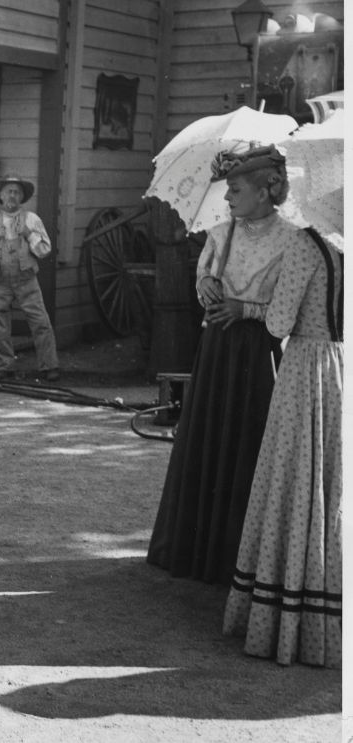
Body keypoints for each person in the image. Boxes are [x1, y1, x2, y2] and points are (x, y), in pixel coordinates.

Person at [147, 145, 299, 585]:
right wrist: (208, 285)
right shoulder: (220, 233)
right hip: (216, 349)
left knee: (247, 439)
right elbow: (205, 281)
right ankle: (194, 547)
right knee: (208, 435)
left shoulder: (292, 239)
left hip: (258, 351)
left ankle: (236, 555)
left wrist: (245, 309)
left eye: (235, 189)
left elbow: (286, 308)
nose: (228, 198)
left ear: (266, 192)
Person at [223, 224, 342, 668]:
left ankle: (288, 610)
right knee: (330, 482)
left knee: (294, 476)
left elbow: (279, 322)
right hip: (341, 365)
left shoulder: (308, 243)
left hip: (306, 369)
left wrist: (260, 302)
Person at [0, 175, 59, 380]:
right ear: (1, 196)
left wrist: (29, 234)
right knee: (1, 326)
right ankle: (5, 367)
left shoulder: (32, 220)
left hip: (26, 281)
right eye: (9, 191)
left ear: (22, 197)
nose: (12, 195)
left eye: (16, 192)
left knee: (41, 322)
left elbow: (44, 251)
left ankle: (49, 366)